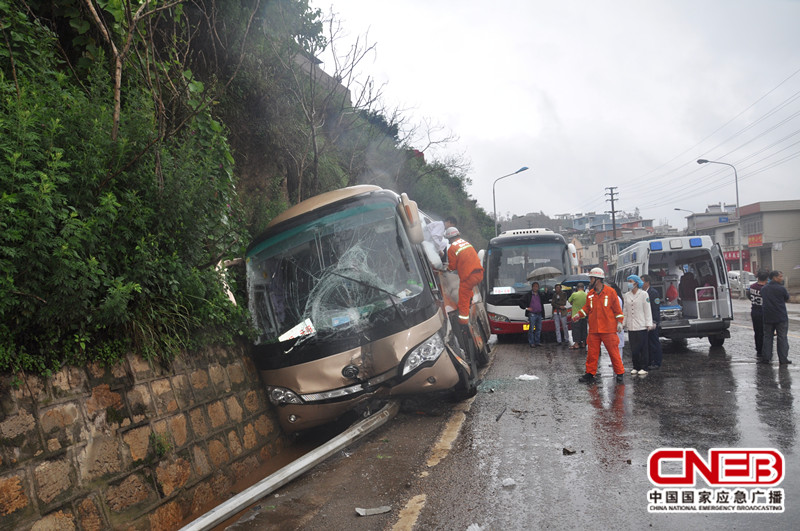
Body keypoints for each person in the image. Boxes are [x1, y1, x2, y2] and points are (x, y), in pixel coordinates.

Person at [573, 267, 625, 384]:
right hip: (594, 330)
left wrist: (620, 322)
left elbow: (617, 310)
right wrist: (578, 315)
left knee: (614, 352)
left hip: (608, 329)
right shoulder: (590, 294)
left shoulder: (611, 292)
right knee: (592, 353)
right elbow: (586, 309)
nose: (590, 280)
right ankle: (590, 373)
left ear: (598, 279)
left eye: (591, 278)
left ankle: (620, 372)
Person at [445, 227, 484, 335]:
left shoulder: (452, 248)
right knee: (467, 292)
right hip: (478, 274)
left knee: (463, 300)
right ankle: (470, 299)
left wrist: (445, 269)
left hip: (469, 276)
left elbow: (452, 266)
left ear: (450, 238)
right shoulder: (466, 243)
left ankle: (463, 324)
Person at [623, 274, 654, 376]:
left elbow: (647, 310)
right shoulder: (626, 295)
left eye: (631, 281)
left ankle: (644, 367)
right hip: (631, 326)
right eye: (628, 281)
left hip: (641, 324)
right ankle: (635, 366)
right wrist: (623, 323)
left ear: (636, 283)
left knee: (643, 347)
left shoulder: (644, 294)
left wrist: (649, 323)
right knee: (634, 348)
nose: (629, 283)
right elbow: (625, 311)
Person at [760, 270, 791, 365]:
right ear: (774, 277)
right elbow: (787, 298)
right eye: (780, 277)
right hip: (781, 317)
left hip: (768, 316)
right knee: (782, 338)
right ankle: (783, 359)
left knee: (767, 337)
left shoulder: (764, 289)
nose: (781, 278)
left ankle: (766, 358)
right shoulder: (781, 289)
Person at [641, 274, 663, 370]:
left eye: (642, 281)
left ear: (647, 282)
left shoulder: (653, 293)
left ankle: (657, 362)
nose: (641, 283)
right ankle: (650, 361)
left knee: (654, 342)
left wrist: (654, 321)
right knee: (648, 343)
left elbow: (655, 309)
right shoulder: (642, 292)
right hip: (645, 321)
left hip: (652, 322)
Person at [747, 269, 769, 359]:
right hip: (765, 313)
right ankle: (765, 349)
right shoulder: (766, 288)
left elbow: (748, 295)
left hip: (754, 311)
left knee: (757, 331)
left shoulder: (752, 287)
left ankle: (758, 349)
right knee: (766, 332)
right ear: (767, 278)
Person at [520, 281, 545, 347]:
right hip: (532, 314)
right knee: (531, 329)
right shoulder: (528, 295)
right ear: (532, 287)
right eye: (534, 286)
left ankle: (537, 341)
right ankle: (531, 342)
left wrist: (546, 292)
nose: (535, 288)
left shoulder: (540, 294)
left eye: (537, 287)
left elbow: (546, 298)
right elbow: (521, 302)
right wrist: (526, 308)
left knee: (538, 329)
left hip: (539, 314)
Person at [568, 282, 588, 349]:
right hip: (584, 315)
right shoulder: (586, 295)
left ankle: (576, 344)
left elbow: (569, 301)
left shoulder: (574, 294)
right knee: (584, 330)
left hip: (575, 316)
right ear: (583, 288)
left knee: (576, 330)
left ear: (577, 288)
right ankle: (584, 343)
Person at [607, 280, 625, 349]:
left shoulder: (617, 299)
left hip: (617, 326)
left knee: (618, 349)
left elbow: (618, 313)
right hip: (611, 328)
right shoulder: (610, 298)